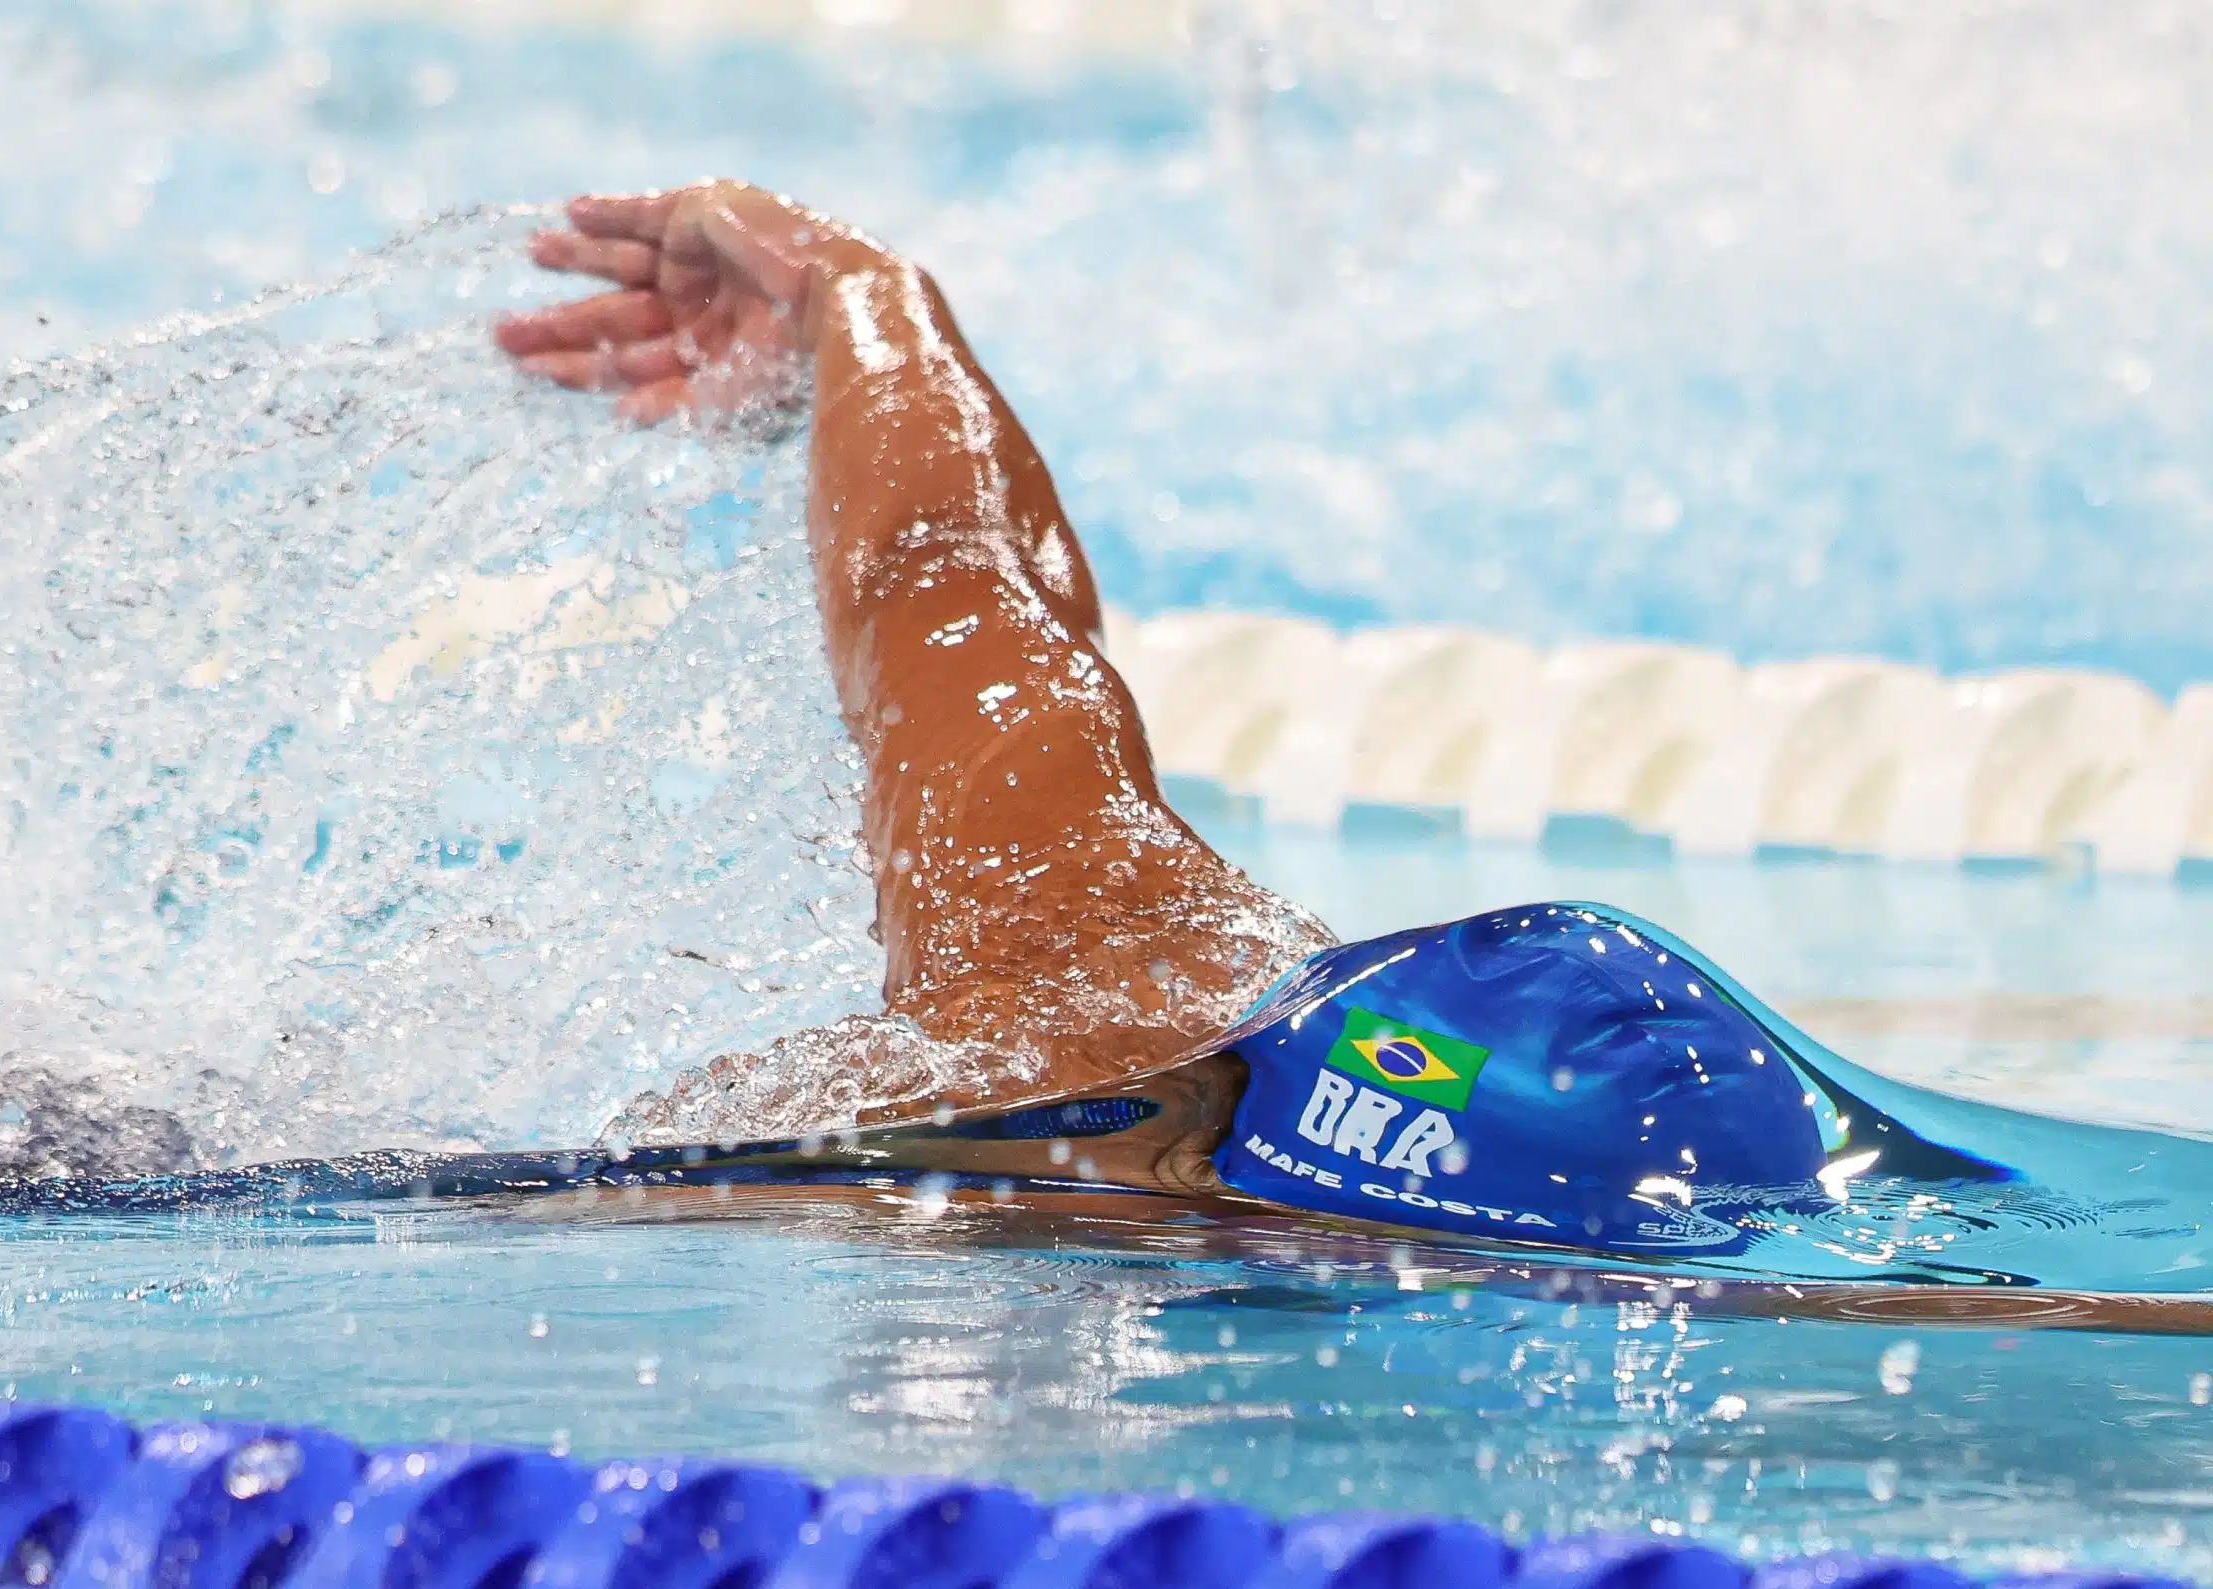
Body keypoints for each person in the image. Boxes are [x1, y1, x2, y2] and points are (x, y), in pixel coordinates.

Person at [493, 183, 2208, 1270]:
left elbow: (952, 579)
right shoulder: (1057, 1001)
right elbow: (951, 582)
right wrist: (839, 289)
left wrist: (866, 298)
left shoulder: (1090, 948)